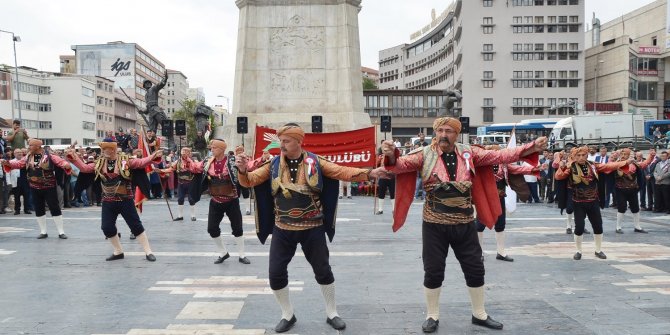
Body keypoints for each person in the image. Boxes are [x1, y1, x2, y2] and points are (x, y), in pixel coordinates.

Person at [379, 117, 547, 333]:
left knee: (475, 268)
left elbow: (500, 155)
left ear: (456, 134)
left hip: (464, 222)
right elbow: (399, 167)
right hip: (434, 224)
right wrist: (391, 153)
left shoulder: (470, 153)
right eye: (440, 130)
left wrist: (531, 146)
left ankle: (479, 314)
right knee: (433, 270)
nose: (443, 135)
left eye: (448, 131)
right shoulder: (424, 154)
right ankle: (432, 315)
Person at [235, 123, 387, 333]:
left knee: (323, 270)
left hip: (313, 226)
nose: (282, 144)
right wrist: (242, 169)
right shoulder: (273, 164)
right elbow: (249, 181)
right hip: (283, 227)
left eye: (286, 141)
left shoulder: (315, 161)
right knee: (275, 273)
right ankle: (287, 314)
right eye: (281, 141)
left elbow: (341, 171)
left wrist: (369, 174)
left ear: (299, 141)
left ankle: (332, 312)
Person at [65, 139, 162, 261]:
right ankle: (118, 251)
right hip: (108, 201)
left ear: (113, 149)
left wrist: (153, 156)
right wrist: (72, 157)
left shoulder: (125, 160)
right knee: (107, 227)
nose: (104, 151)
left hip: (125, 199)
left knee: (135, 226)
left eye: (106, 148)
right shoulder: (99, 162)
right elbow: (84, 168)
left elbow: (141, 163)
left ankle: (148, 252)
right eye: (103, 149)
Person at [182, 139, 251, 266]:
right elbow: (195, 168)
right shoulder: (208, 161)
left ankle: (242, 255)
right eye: (211, 148)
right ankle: (223, 252)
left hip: (232, 200)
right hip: (215, 200)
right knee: (212, 229)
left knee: (237, 228)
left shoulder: (232, 160)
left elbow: (249, 167)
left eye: (213, 147)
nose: (211, 150)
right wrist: (187, 160)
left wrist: (249, 162)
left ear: (221, 149)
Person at [554, 146, 628, 261]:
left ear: (587, 155)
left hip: (593, 201)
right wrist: (561, 167)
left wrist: (625, 162)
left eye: (583, 155)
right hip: (578, 202)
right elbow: (558, 176)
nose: (581, 157)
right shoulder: (570, 167)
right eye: (578, 155)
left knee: (598, 226)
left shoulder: (593, 165)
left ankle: (598, 250)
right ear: (574, 156)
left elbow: (608, 166)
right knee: (579, 227)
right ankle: (578, 251)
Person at [477, 145, 540, 262]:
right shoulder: (482, 164)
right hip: (485, 198)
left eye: (497, 152)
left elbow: (517, 169)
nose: (495, 154)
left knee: (500, 224)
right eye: (492, 152)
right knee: (480, 225)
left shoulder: (503, 164)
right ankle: (479, 252)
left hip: (499, 196)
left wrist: (533, 170)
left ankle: (501, 252)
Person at [2, 139, 71, 239]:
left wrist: (66, 165)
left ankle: (61, 232)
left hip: (49, 186)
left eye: (31, 145)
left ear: (38, 146)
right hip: (34, 187)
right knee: (38, 208)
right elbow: (18, 164)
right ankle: (43, 231)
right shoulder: (29, 156)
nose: (29, 147)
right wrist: (7, 163)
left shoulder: (50, 156)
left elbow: (61, 162)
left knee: (54, 207)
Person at [612, 149, 654, 233]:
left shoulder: (634, 163)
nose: (623, 155)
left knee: (635, 208)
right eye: (622, 154)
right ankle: (618, 227)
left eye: (625, 154)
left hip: (633, 189)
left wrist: (651, 156)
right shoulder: (616, 164)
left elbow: (644, 164)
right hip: (620, 189)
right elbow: (606, 168)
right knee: (621, 208)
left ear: (629, 155)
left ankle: (637, 227)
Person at [156, 147, 199, 221]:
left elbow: (197, 168)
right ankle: (180, 216)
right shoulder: (178, 161)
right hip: (181, 183)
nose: (184, 155)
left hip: (190, 183)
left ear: (189, 153)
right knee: (180, 199)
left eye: (185, 153)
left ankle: (193, 215)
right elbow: (170, 169)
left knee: (191, 199)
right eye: (182, 153)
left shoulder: (193, 161)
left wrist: (190, 161)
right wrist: (161, 170)